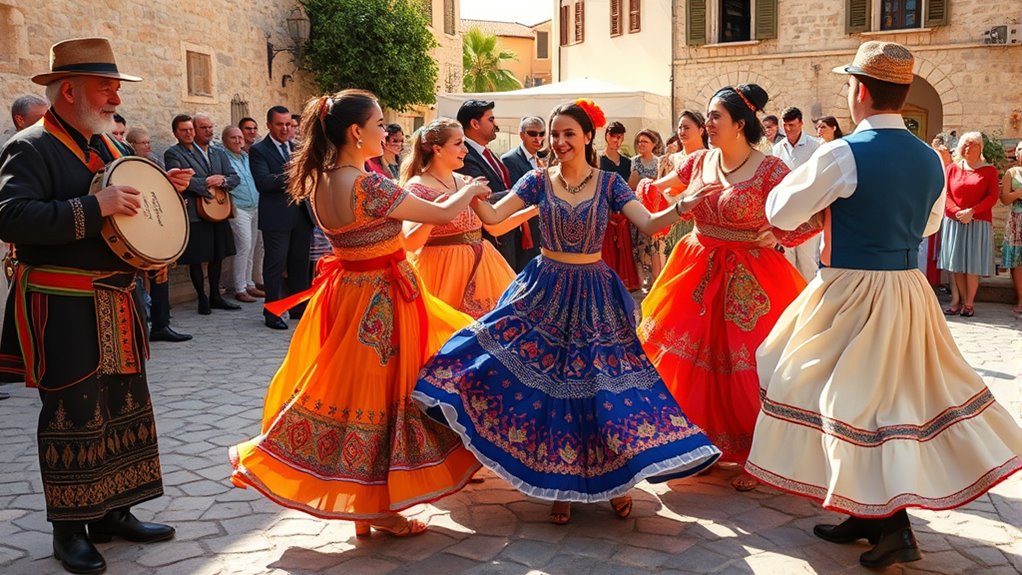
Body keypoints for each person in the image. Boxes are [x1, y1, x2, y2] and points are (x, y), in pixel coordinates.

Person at [745, 41, 1022, 569]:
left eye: (850, 84)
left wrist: (830, 205)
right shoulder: (929, 158)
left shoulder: (843, 153)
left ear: (861, 91)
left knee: (834, 393)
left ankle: (893, 526)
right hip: (907, 288)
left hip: (850, 289)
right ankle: (866, 512)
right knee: (880, 400)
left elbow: (780, 212)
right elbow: (931, 225)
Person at [413, 100, 722, 526]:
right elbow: (495, 219)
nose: (558, 142)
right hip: (544, 291)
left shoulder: (611, 183)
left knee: (600, 389)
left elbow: (650, 223)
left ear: (588, 137)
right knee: (548, 389)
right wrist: (467, 193)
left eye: (568, 134)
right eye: (554, 135)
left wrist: (681, 208)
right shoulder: (537, 180)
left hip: (594, 296)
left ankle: (617, 484)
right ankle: (559, 488)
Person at [230, 89, 488, 536]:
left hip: (347, 291)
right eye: (379, 125)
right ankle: (377, 508)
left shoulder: (319, 179)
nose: (385, 133)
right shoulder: (368, 184)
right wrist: (470, 190)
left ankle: (368, 508)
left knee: (358, 392)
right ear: (356, 131)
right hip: (382, 298)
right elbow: (439, 212)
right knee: (384, 394)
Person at [0, 37, 191, 574]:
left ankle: (113, 513)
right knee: (73, 413)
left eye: (114, 88)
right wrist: (95, 204)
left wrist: (163, 194)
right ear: (69, 90)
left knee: (124, 406)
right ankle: (70, 530)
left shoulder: (109, 147)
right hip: (63, 303)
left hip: (115, 300)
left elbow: (127, 212)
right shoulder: (30, 147)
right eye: (105, 87)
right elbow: (11, 217)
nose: (115, 97)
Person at [637, 84, 822, 492]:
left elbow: (813, 214)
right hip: (695, 269)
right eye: (707, 115)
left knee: (750, 366)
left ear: (740, 123)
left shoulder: (771, 171)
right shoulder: (697, 161)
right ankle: (701, 447)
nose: (708, 123)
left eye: (715, 116)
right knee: (691, 364)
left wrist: (778, 234)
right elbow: (653, 191)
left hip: (751, 278)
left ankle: (758, 455)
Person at [401, 118, 535, 318]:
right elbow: (410, 243)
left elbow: (493, 226)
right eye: (458, 144)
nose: (465, 150)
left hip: (484, 269)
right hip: (444, 274)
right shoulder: (417, 186)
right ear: (437, 149)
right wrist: (436, 212)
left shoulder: (465, 182)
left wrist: (535, 209)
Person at [164, 113, 241, 315]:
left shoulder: (218, 153)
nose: (189, 133)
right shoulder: (173, 154)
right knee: (197, 258)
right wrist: (207, 183)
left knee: (218, 255)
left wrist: (222, 180)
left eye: (191, 129)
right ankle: (202, 298)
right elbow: (180, 180)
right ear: (176, 133)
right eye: (184, 130)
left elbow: (234, 177)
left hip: (219, 210)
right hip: (195, 213)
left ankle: (216, 296)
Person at [251, 105, 314, 330]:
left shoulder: (297, 148)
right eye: (280, 124)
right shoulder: (259, 150)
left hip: (301, 215)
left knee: (299, 264)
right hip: (276, 218)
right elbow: (264, 182)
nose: (285, 129)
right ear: (269, 125)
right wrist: (295, 174)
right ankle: (272, 312)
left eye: (288, 124)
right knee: (275, 265)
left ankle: (298, 307)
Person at [457, 100, 530, 268]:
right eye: (490, 119)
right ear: (475, 124)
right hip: (489, 242)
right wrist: (525, 191)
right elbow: (484, 196)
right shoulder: (464, 157)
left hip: (506, 237)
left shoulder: (486, 153)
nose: (495, 124)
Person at [937, 131, 1000, 318]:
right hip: (955, 221)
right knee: (956, 265)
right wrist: (958, 212)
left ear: (980, 148)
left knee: (972, 266)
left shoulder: (989, 171)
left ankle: (969, 303)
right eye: (964, 144)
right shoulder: (952, 169)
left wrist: (972, 211)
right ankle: (962, 302)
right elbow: (946, 194)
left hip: (977, 223)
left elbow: (992, 197)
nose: (967, 148)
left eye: (972, 144)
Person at [773, 107, 823, 282]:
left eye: (792, 125)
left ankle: (810, 296)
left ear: (801, 123)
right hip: (785, 212)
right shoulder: (777, 149)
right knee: (788, 260)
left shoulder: (815, 146)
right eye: (785, 125)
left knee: (807, 261)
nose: (788, 129)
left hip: (808, 212)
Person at [221, 126, 264, 303]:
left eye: (240, 137)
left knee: (252, 247)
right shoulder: (223, 158)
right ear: (225, 141)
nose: (238, 141)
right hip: (238, 208)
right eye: (233, 138)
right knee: (244, 246)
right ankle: (239, 288)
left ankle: (249, 283)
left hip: (254, 206)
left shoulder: (246, 157)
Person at [500, 116, 546, 270]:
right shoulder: (510, 159)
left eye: (541, 134)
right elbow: (517, 198)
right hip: (523, 230)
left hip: (540, 230)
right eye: (532, 134)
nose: (538, 138)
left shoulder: (539, 159)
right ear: (522, 135)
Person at [598, 121, 640, 290]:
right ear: (606, 136)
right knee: (607, 248)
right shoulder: (598, 160)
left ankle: (623, 284)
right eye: (613, 136)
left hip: (623, 210)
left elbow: (631, 187)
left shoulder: (627, 162)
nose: (616, 140)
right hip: (604, 210)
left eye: (619, 137)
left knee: (624, 248)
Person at [1002, 141, 1022, 313]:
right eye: (1020, 149)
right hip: (1017, 221)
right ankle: (1021, 299)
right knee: (1018, 262)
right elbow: (1004, 199)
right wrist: (1017, 194)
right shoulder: (1011, 173)